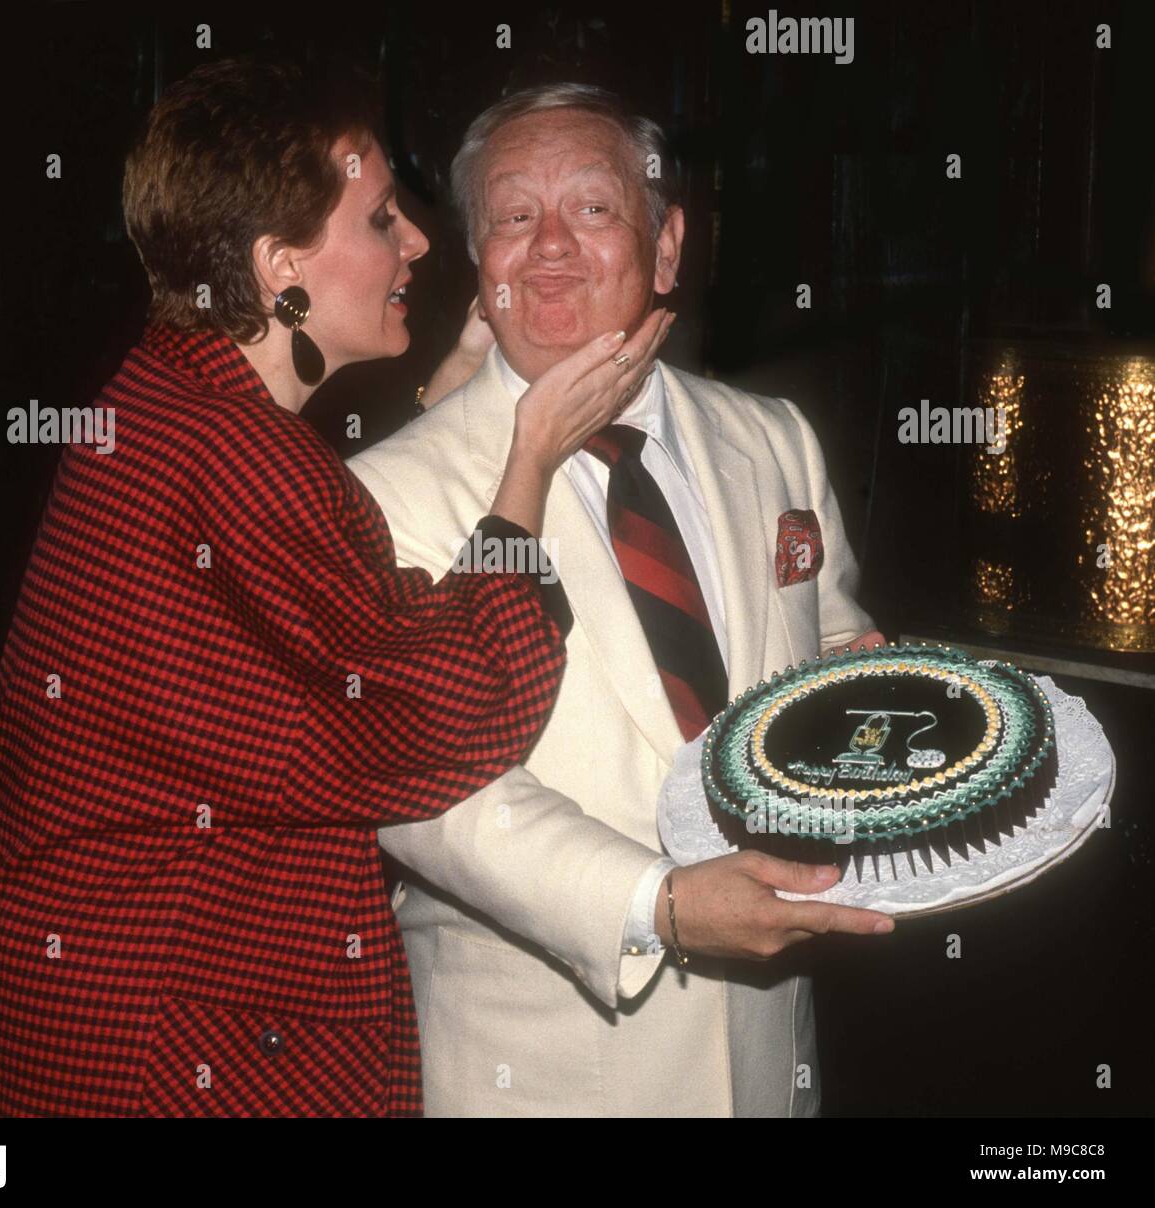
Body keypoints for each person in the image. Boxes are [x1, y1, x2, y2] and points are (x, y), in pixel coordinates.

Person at [0, 59, 668, 1118]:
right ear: (280, 265)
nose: (419, 242)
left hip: (54, 996)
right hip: (154, 1039)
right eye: (378, 221)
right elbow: (437, 718)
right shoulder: (236, 460)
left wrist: (433, 400)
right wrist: (528, 463)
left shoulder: (164, 391)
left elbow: (290, 617)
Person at [347, 82, 893, 1118]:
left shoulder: (774, 436)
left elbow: (825, 639)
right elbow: (429, 790)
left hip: (773, 1050)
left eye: (593, 209)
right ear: (477, 255)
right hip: (540, 1073)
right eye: (512, 217)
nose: (548, 246)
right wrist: (662, 904)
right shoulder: (384, 492)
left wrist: (887, 702)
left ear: (667, 243)